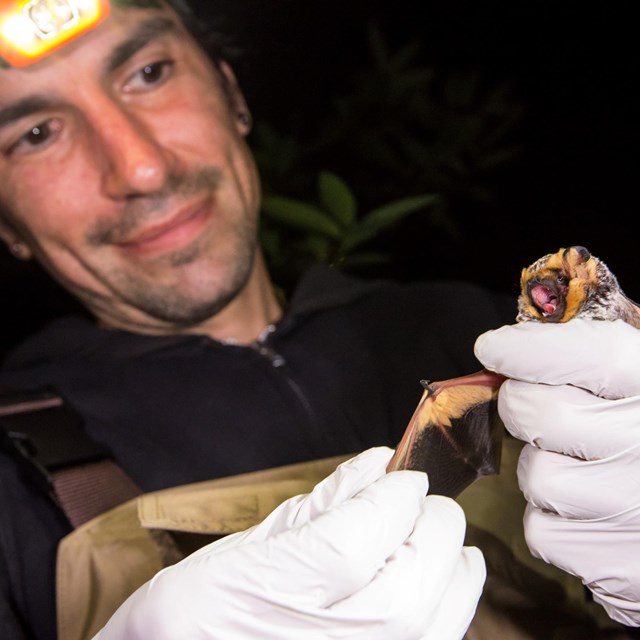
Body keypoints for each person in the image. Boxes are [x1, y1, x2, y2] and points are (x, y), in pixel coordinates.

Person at [0, 1, 637, 639]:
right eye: (35, 134)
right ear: (8, 226)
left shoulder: (468, 327)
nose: (141, 167)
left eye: (149, 73)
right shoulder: (12, 480)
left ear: (231, 91)